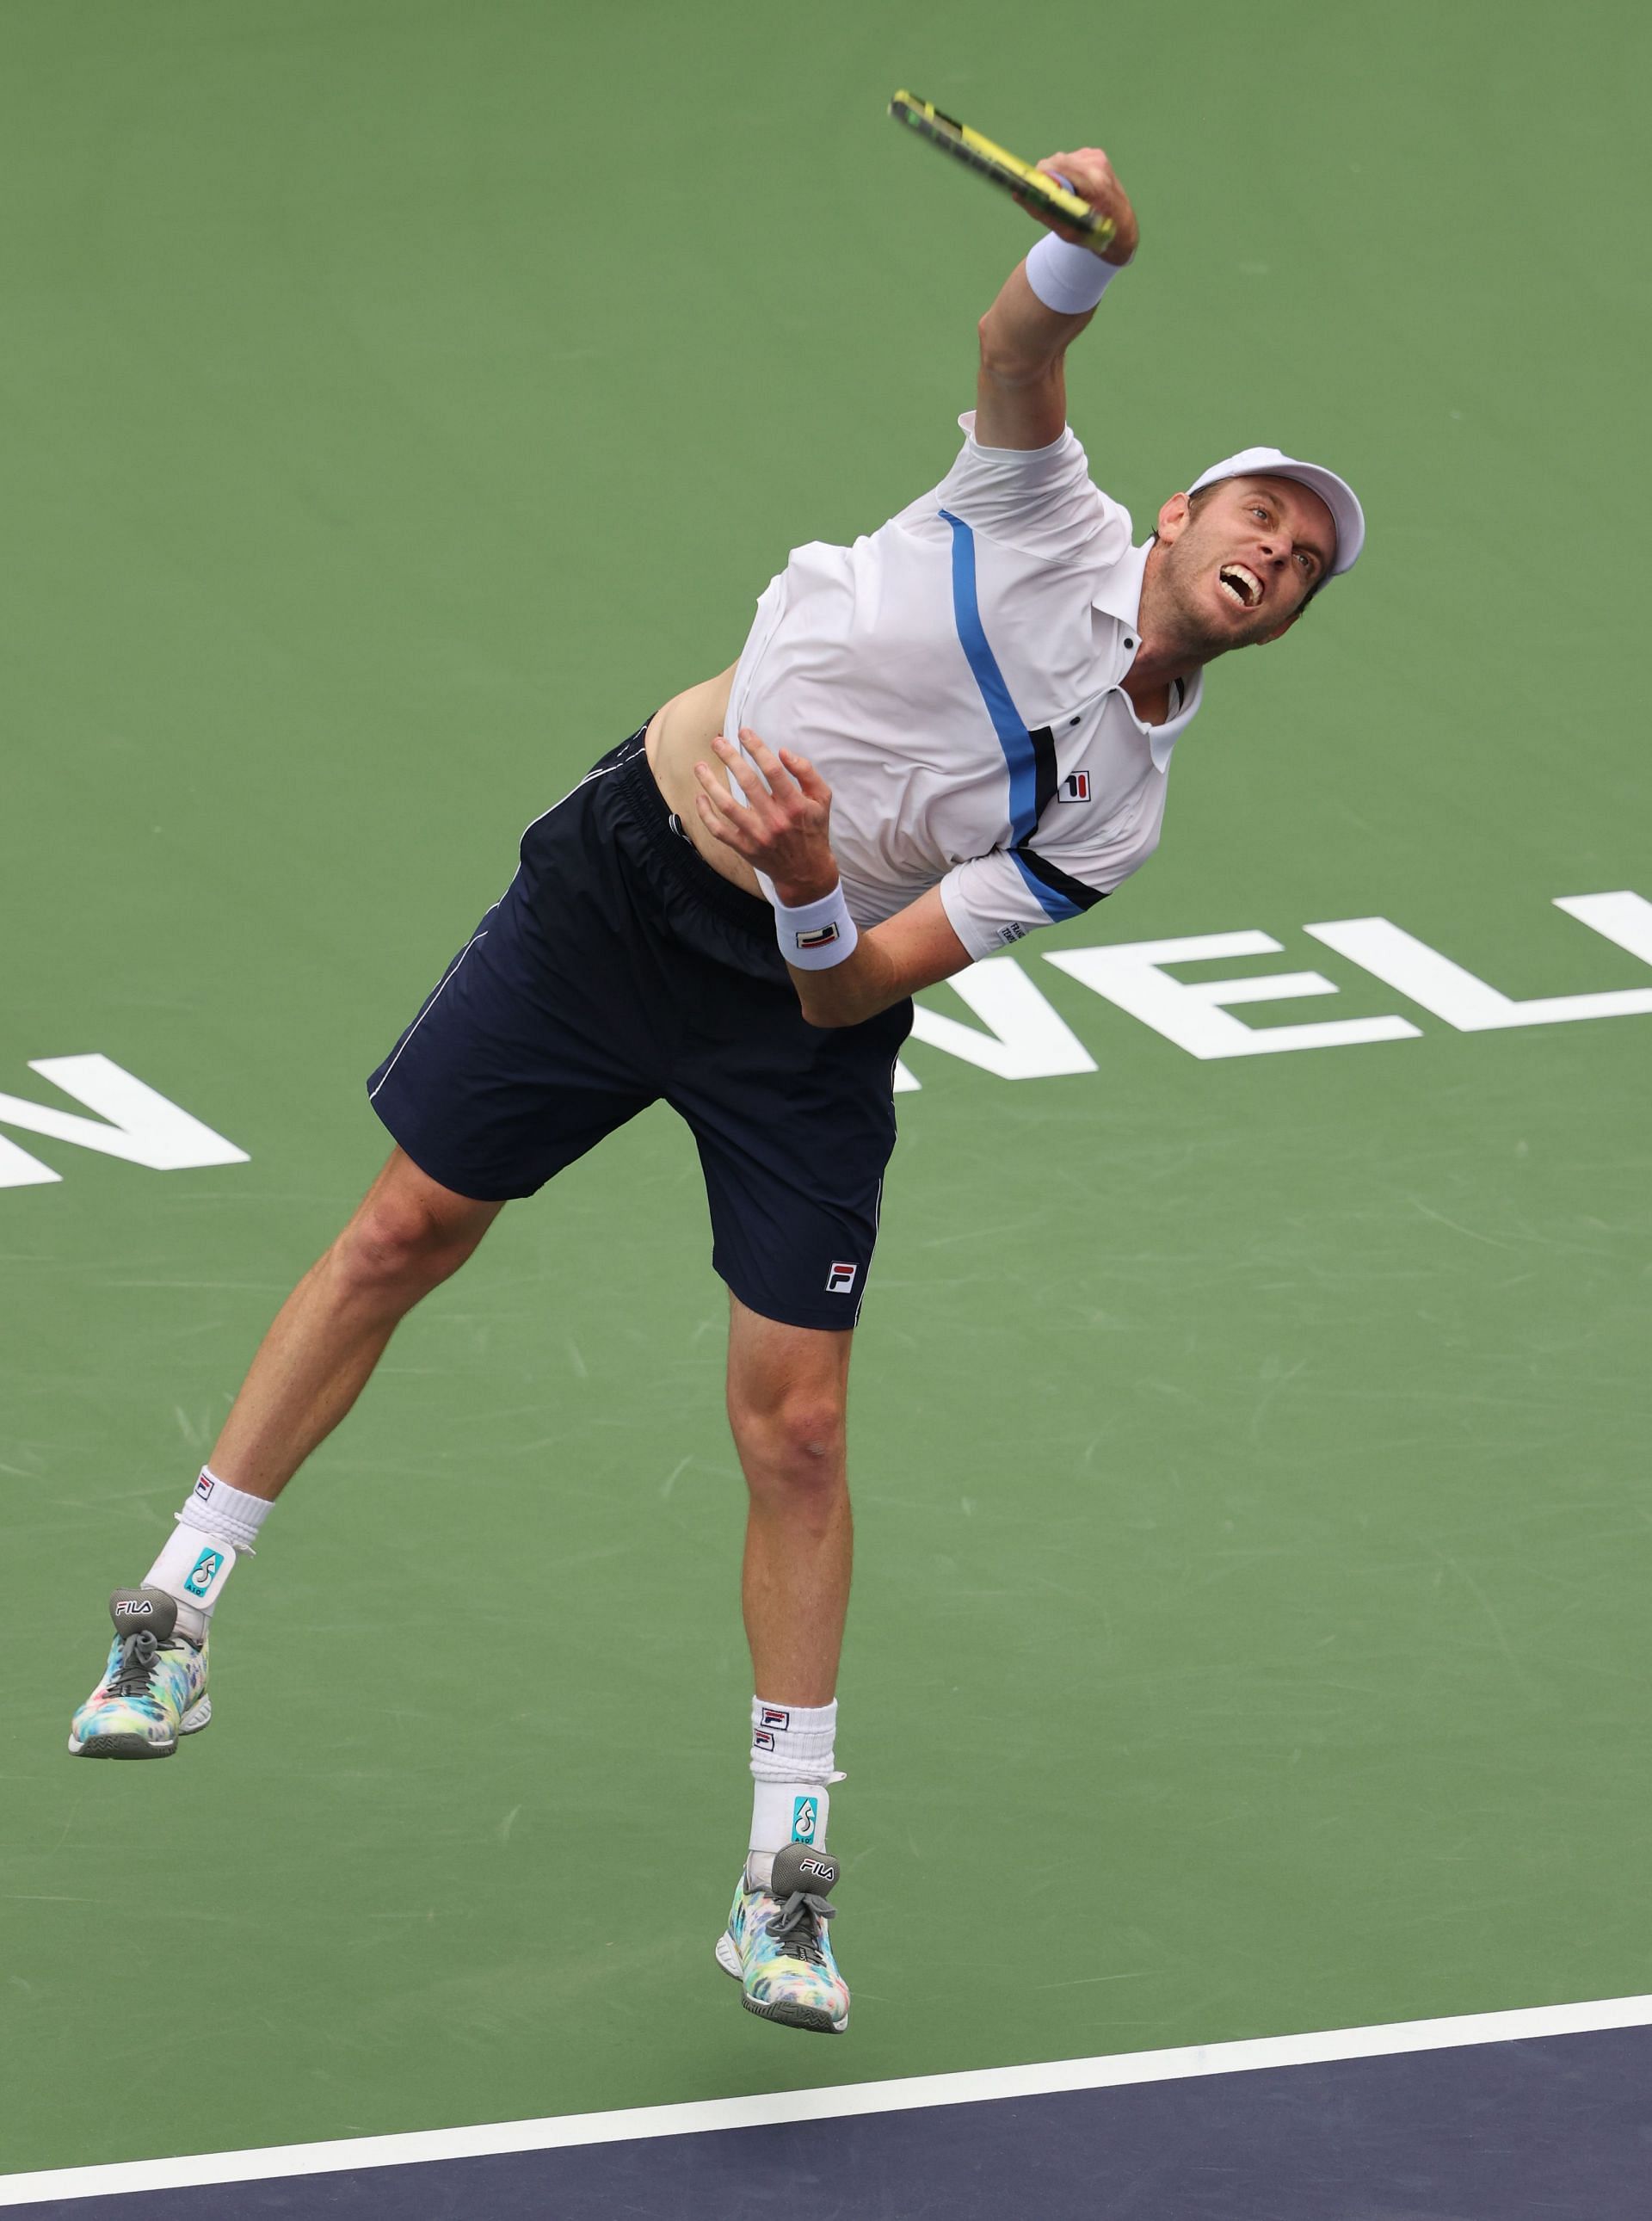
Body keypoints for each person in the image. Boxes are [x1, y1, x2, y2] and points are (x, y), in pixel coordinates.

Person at [68, 144, 1363, 2037]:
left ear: (1278, 622)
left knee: (800, 1429)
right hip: (616, 891)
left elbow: (850, 1001)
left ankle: (785, 1874)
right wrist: (1079, 250)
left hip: (793, 1007)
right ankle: (173, 1612)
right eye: (1260, 513)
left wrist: (822, 878)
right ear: (1173, 518)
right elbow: (1020, 344)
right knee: (407, 1226)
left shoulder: (1123, 813)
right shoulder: (1034, 504)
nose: (1280, 552)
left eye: (1309, 565)